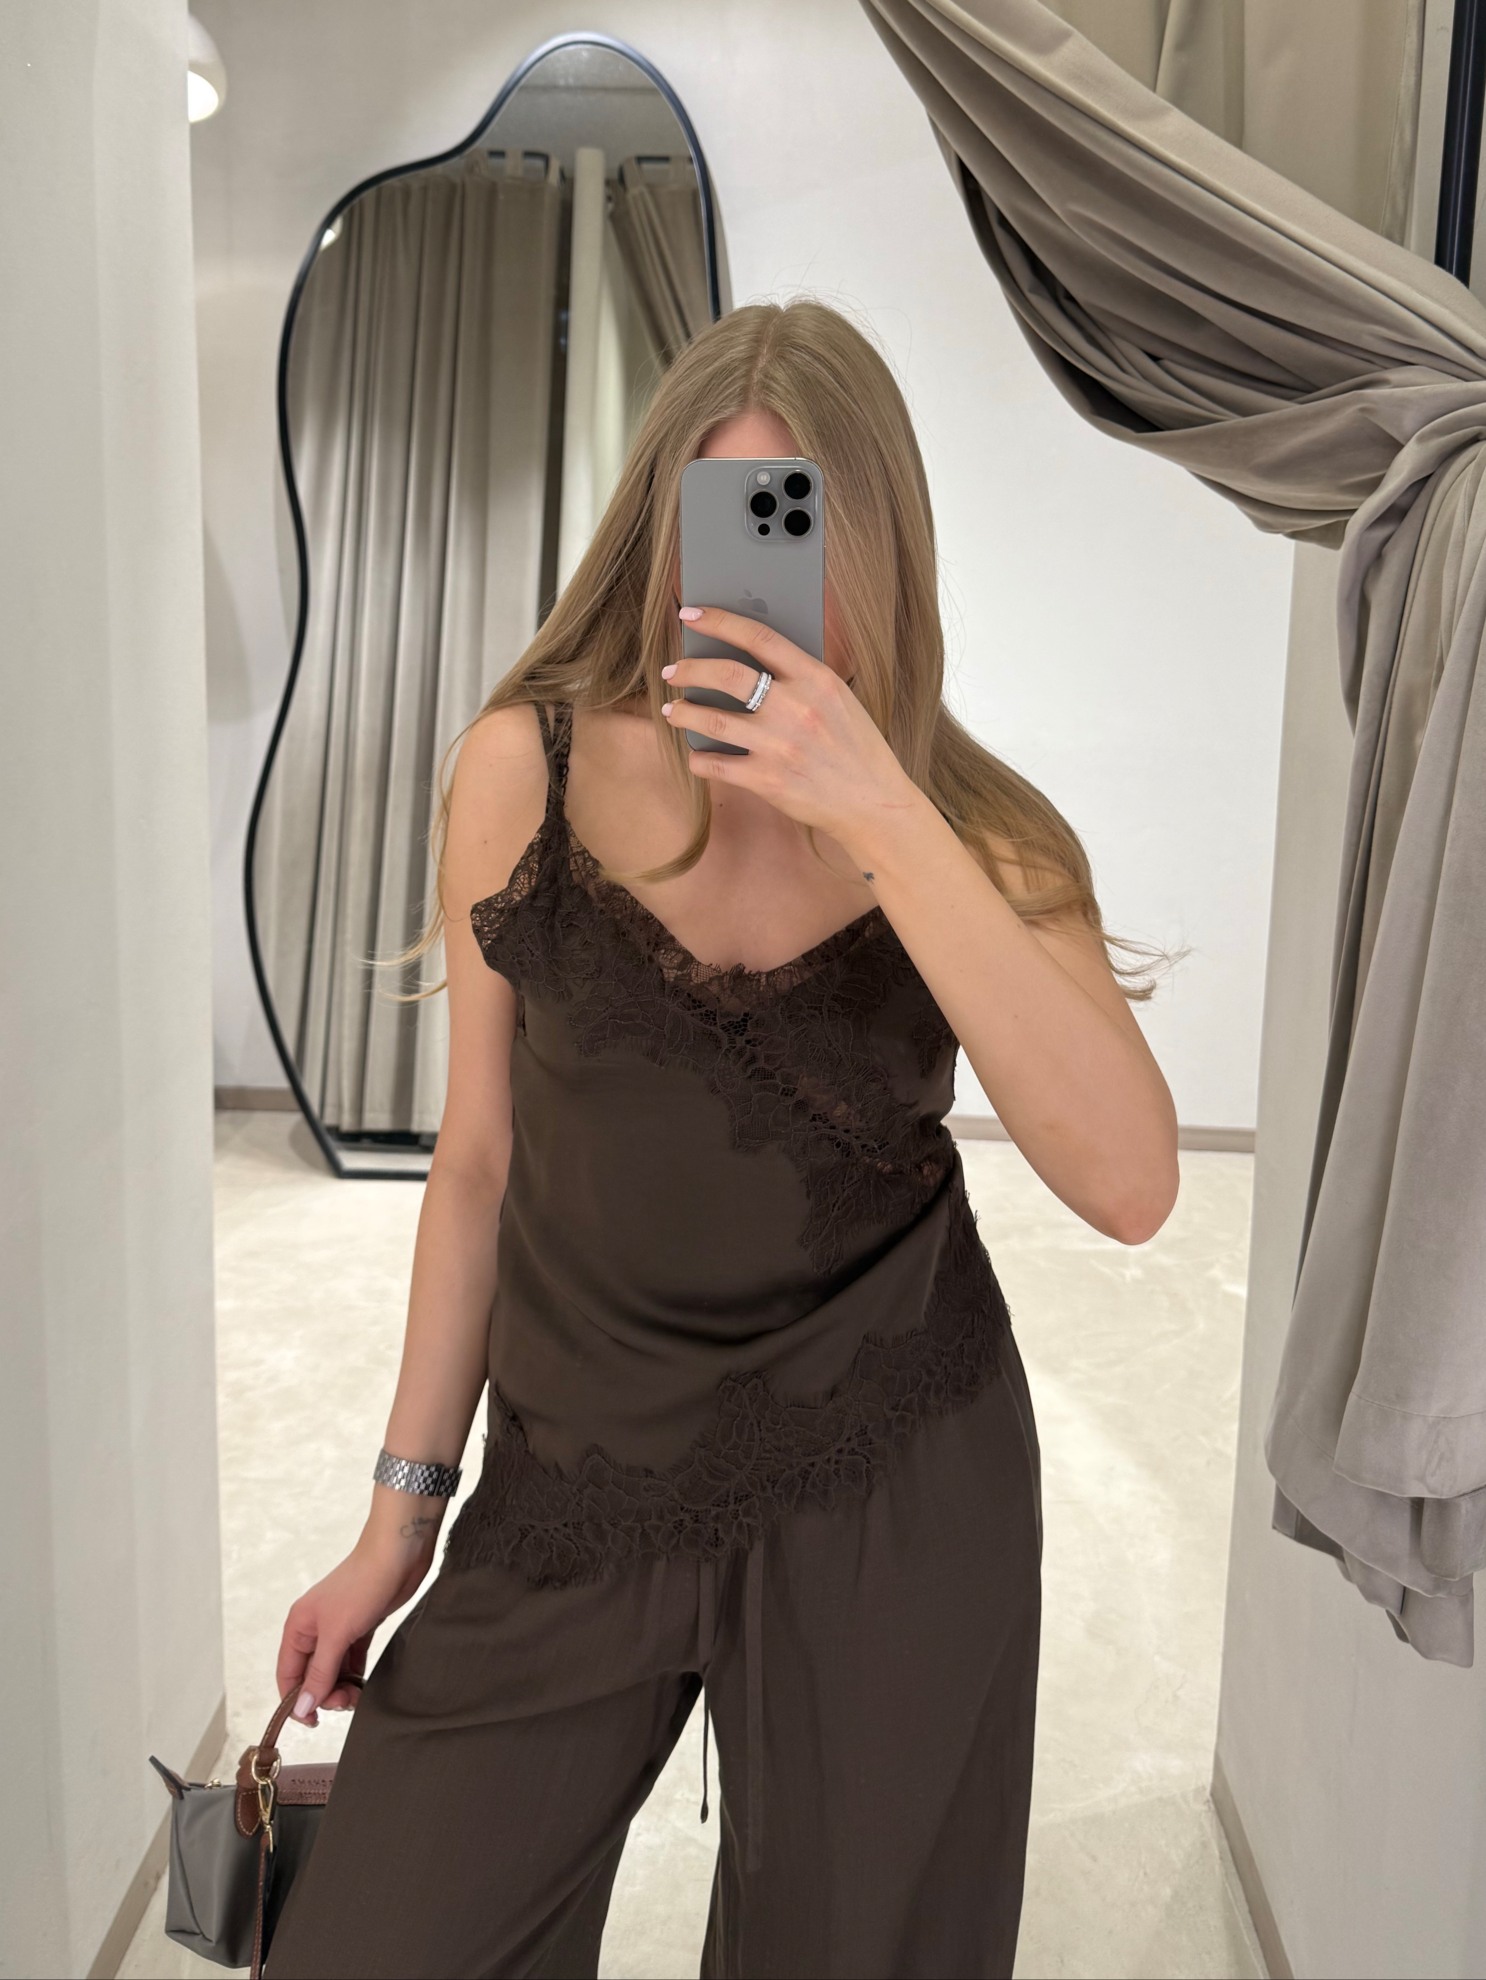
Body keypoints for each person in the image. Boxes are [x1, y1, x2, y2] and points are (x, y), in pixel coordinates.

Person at [263, 297, 1179, 1980]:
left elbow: (1127, 1185)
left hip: (889, 1469)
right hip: (578, 1472)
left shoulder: (969, 832)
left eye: (796, 518)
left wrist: (879, 806)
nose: (752, 573)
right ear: (657, 527)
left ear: (878, 543)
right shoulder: (524, 766)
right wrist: (399, 1519)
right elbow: (477, 1165)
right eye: (723, 516)